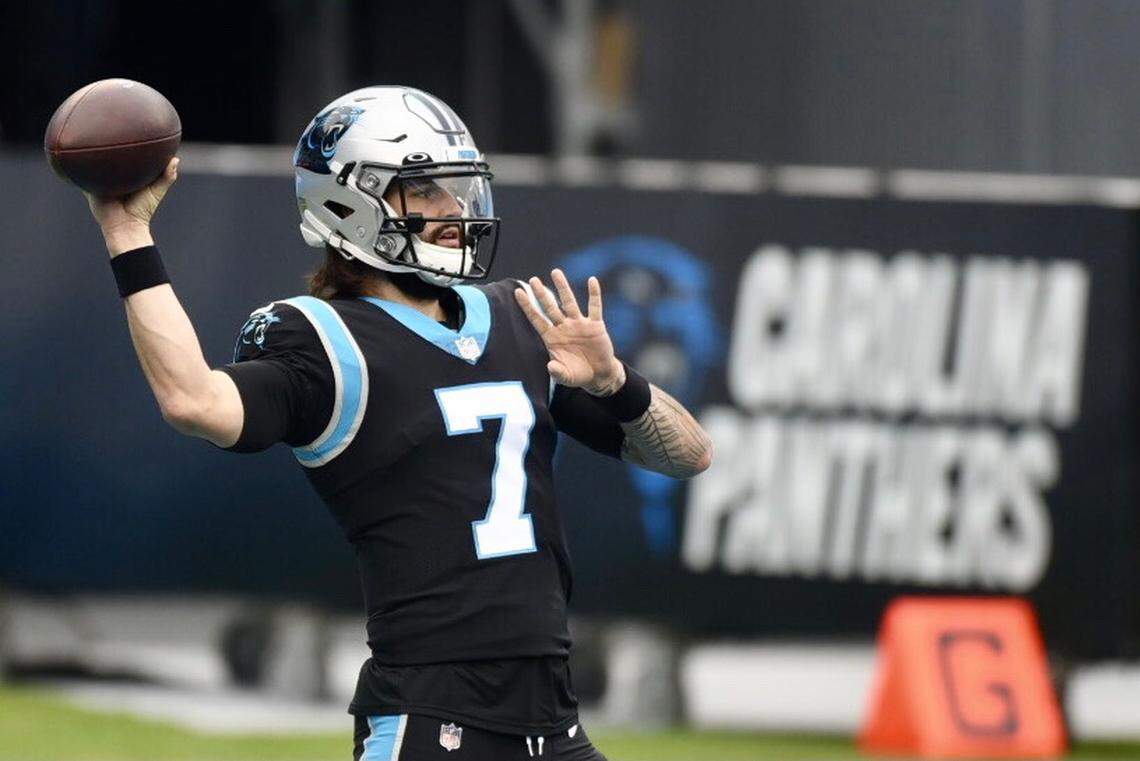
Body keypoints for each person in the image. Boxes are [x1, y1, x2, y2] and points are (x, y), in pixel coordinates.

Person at [83, 86, 712, 761]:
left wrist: (617, 384)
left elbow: (688, 455)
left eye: (457, 191)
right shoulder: (321, 339)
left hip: (554, 724)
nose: (454, 213)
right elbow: (194, 401)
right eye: (427, 193)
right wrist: (128, 232)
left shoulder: (518, 319)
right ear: (346, 204)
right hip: (431, 721)